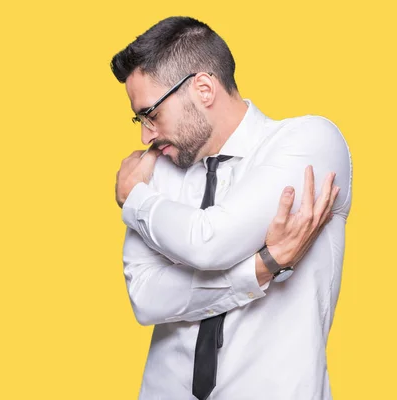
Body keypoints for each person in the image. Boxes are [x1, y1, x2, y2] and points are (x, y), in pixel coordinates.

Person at [111, 16, 352, 400]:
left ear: (204, 88)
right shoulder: (159, 168)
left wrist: (135, 199)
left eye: (152, 114)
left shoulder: (309, 143)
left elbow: (209, 243)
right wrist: (261, 267)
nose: (145, 135)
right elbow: (145, 298)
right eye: (140, 119)